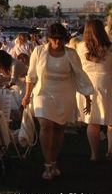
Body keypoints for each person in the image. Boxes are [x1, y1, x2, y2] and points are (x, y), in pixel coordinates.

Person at [22, 23, 94, 180]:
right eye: (54, 39)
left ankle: (54, 160)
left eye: (61, 39)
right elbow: (31, 75)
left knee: (59, 128)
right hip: (43, 93)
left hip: (64, 94)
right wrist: (27, 95)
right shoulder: (38, 51)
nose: (58, 42)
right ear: (48, 38)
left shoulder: (71, 53)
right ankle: (47, 164)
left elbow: (80, 75)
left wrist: (88, 97)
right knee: (46, 126)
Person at [75, 19, 112, 161]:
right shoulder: (109, 47)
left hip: (87, 86)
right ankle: (110, 151)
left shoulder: (80, 47)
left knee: (92, 122)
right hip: (107, 84)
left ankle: (94, 154)